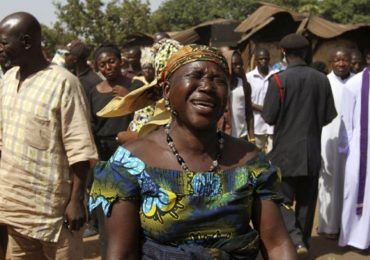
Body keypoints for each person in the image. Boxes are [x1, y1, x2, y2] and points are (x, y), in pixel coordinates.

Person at [89, 44, 297, 259]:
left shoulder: (250, 161)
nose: (207, 86)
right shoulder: (130, 163)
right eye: (195, 76)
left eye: (218, 80)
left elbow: (277, 244)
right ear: (167, 91)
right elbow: (121, 253)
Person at [0, 12, 98, 259]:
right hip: (15, 211)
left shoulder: (64, 83)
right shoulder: (9, 79)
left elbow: (80, 149)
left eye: (3, 43)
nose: (0, 49)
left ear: (25, 42)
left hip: (54, 215)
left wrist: (76, 201)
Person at [262, 33, 337, 254]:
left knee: (281, 200)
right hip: (312, 152)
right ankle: (302, 241)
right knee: (306, 203)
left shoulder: (278, 80)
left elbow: (269, 117)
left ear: (283, 53)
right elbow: (328, 116)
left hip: (284, 154)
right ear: (306, 53)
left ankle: (295, 240)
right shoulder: (322, 79)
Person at [89, 43, 135, 259]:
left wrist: (128, 97)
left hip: (132, 154)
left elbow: (147, 117)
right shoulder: (94, 92)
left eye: (111, 61)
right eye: (102, 64)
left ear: (120, 61)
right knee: (105, 209)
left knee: (131, 207)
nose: (108, 67)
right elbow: (90, 127)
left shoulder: (135, 87)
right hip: (104, 157)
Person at [318, 47, 354, 238]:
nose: (341, 64)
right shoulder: (324, 82)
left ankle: (348, 227)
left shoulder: (358, 82)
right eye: (337, 60)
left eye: (345, 59)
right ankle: (329, 226)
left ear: (351, 61)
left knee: (350, 182)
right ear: (331, 62)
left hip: (354, 141)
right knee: (328, 181)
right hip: (328, 138)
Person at [338, 65, 370, 250]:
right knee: (355, 189)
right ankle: (353, 236)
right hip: (360, 149)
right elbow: (346, 123)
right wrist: (345, 150)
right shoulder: (354, 83)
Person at [221, 49, 254, 140]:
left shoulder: (245, 85)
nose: (239, 67)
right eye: (235, 64)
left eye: (240, 64)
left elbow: (249, 113)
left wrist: (252, 137)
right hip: (224, 135)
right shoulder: (220, 86)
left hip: (242, 136)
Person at [247, 48, 274, 152]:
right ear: (256, 60)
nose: (264, 62)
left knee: (273, 158)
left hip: (272, 125)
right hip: (257, 125)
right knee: (257, 157)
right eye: (261, 59)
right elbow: (246, 101)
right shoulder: (249, 78)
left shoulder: (276, 75)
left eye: (266, 59)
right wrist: (263, 109)